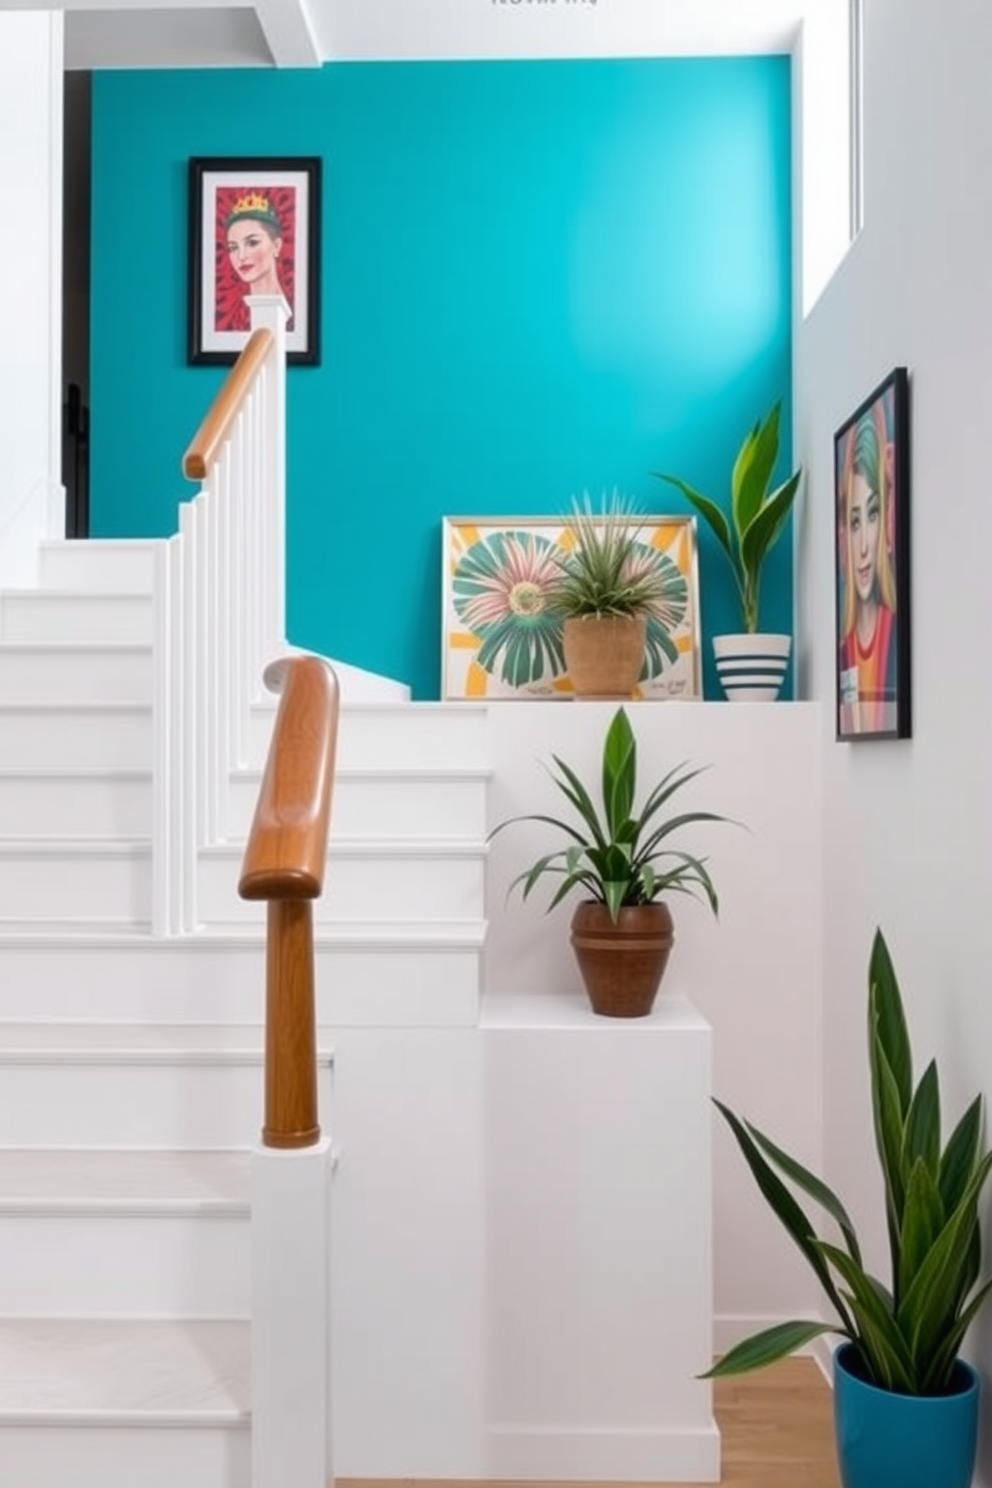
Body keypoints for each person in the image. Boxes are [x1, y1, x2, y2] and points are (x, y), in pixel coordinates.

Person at [837, 404, 898, 734]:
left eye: (873, 515)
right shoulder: (843, 651)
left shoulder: (897, 634)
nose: (863, 547)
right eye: (855, 520)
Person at [217, 192, 290, 331]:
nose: (241, 256)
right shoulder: (232, 319)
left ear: (276, 246)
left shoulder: (287, 313)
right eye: (233, 247)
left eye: (252, 243)